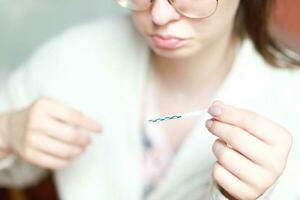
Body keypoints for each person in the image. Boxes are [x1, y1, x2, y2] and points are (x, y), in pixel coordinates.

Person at [0, 0, 299, 199]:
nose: (159, 16)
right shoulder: (74, 56)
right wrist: (8, 131)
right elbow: (13, 174)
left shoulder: (290, 100)